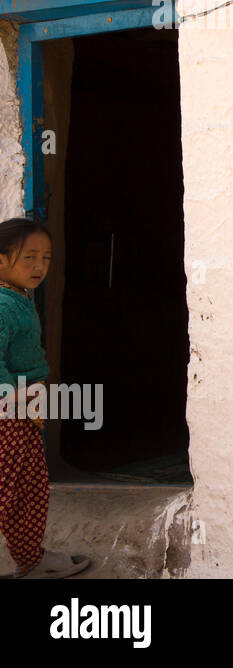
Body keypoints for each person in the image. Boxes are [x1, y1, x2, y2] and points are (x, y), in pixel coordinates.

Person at [0, 218, 91, 579]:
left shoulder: (18, 297)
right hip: (9, 420)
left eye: (46, 257)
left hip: (22, 415)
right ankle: (32, 560)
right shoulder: (4, 305)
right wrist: (12, 400)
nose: (40, 266)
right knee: (12, 493)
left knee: (30, 490)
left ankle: (32, 561)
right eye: (29, 257)